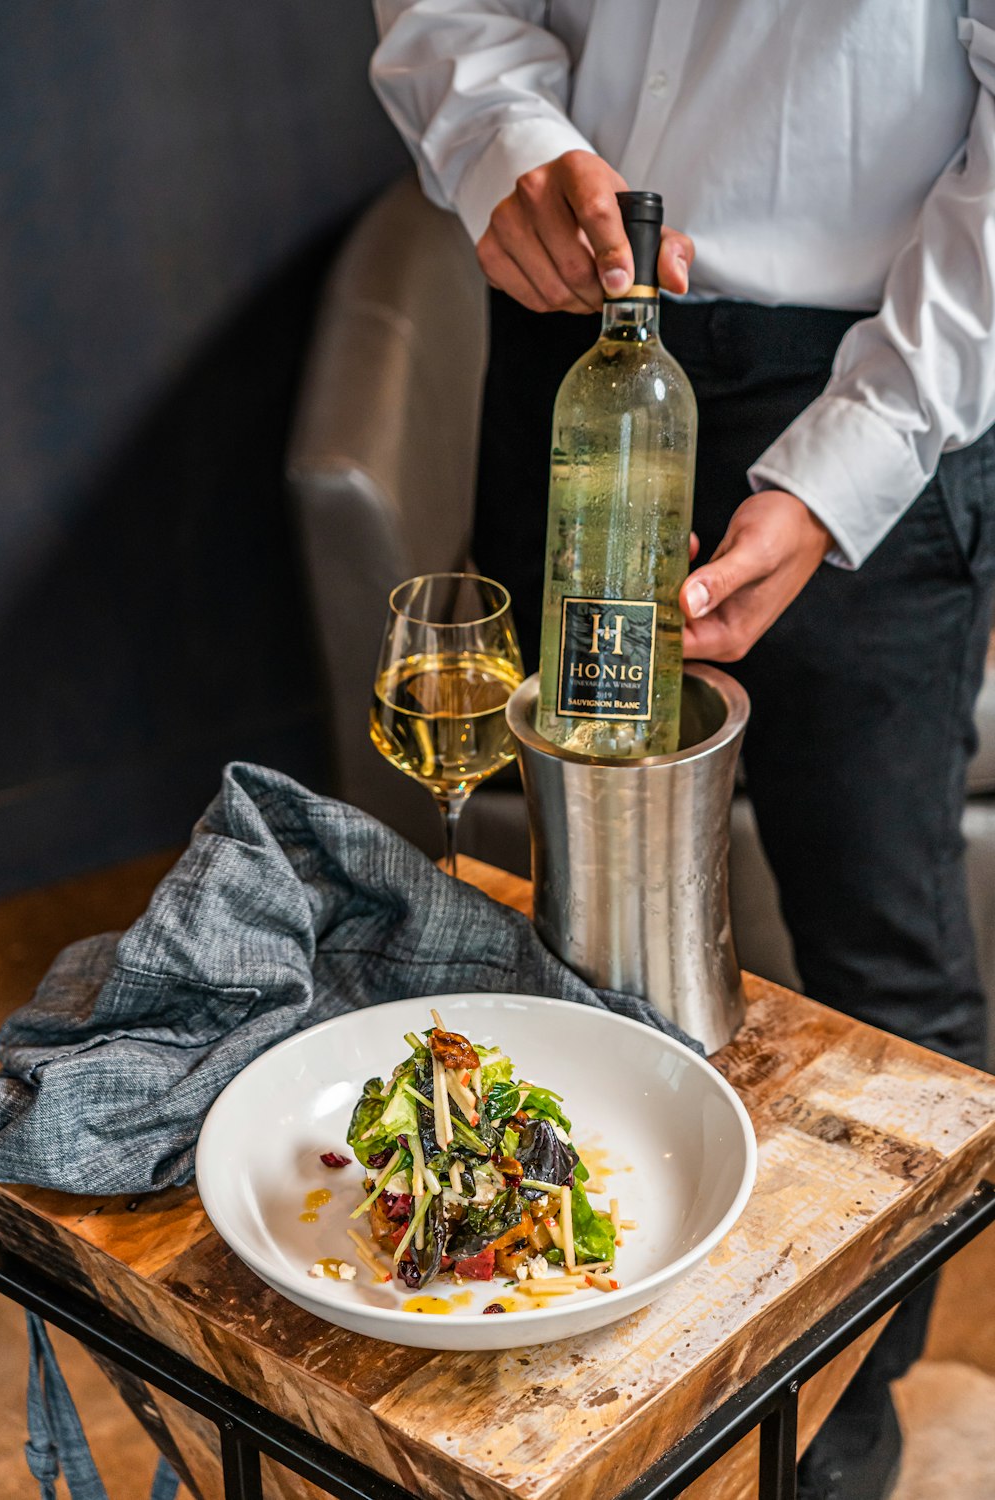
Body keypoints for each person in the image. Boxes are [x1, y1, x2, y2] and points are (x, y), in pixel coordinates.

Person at [369, 5, 995, 1497]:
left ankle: (828, 1426)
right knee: (578, 940)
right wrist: (505, 141)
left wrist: (850, 469)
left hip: (872, 375)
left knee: (883, 973)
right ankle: (571, 1387)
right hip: (570, 344)